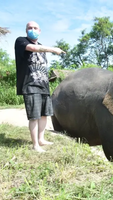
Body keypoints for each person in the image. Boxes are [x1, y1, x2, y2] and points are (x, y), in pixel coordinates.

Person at [14, 21, 66, 152]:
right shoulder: (21, 41)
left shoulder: (41, 46)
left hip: (43, 85)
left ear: (40, 30)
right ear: (26, 30)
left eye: (35, 28)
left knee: (44, 114)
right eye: (30, 28)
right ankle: (35, 145)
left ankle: (41, 140)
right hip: (30, 85)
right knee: (34, 116)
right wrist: (53, 49)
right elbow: (33, 48)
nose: (32, 29)